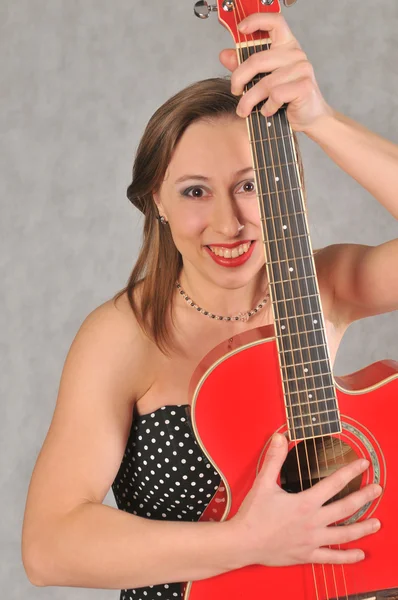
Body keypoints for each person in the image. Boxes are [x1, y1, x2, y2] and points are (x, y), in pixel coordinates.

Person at [21, 11, 397, 600]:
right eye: (195, 191)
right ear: (157, 202)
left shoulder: (322, 288)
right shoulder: (124, 334)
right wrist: (249, 540)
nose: (229, 222)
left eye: (251, 185)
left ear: (284, 189)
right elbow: (49, 547)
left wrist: (322, 121)